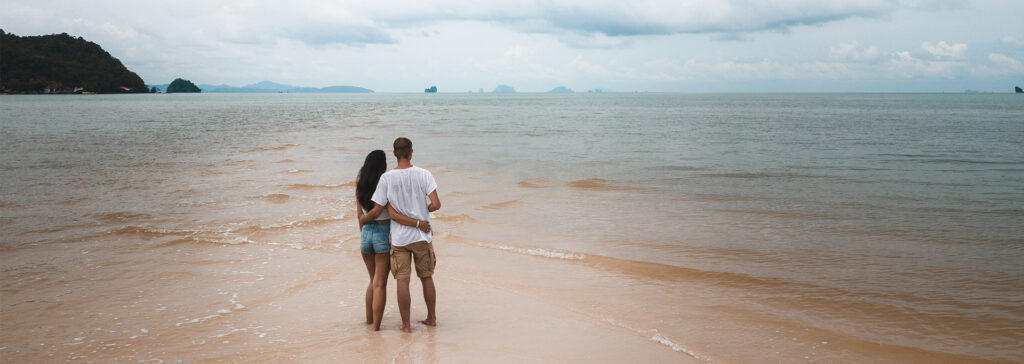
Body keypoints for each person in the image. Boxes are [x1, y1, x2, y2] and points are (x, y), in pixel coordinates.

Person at [370, 137, 441, 333]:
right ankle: (432, 318)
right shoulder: (424, 174)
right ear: (411, 152)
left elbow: (380, 208)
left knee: (402, 280)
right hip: (422, 236)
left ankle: (406, 325)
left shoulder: (386, 178)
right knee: (426, 277)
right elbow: (436, 203)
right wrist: (422, 211)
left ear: (394, 153)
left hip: (400, 238)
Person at [355, 150, 429, 331]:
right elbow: (384, 211)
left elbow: (359, 215)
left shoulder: (360, 185)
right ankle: (376, 329)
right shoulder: (384, 182)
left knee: (372, 281)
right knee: (380, 282)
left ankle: (369, 321)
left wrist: (364, 227)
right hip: (381, 231)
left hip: (365, 234)